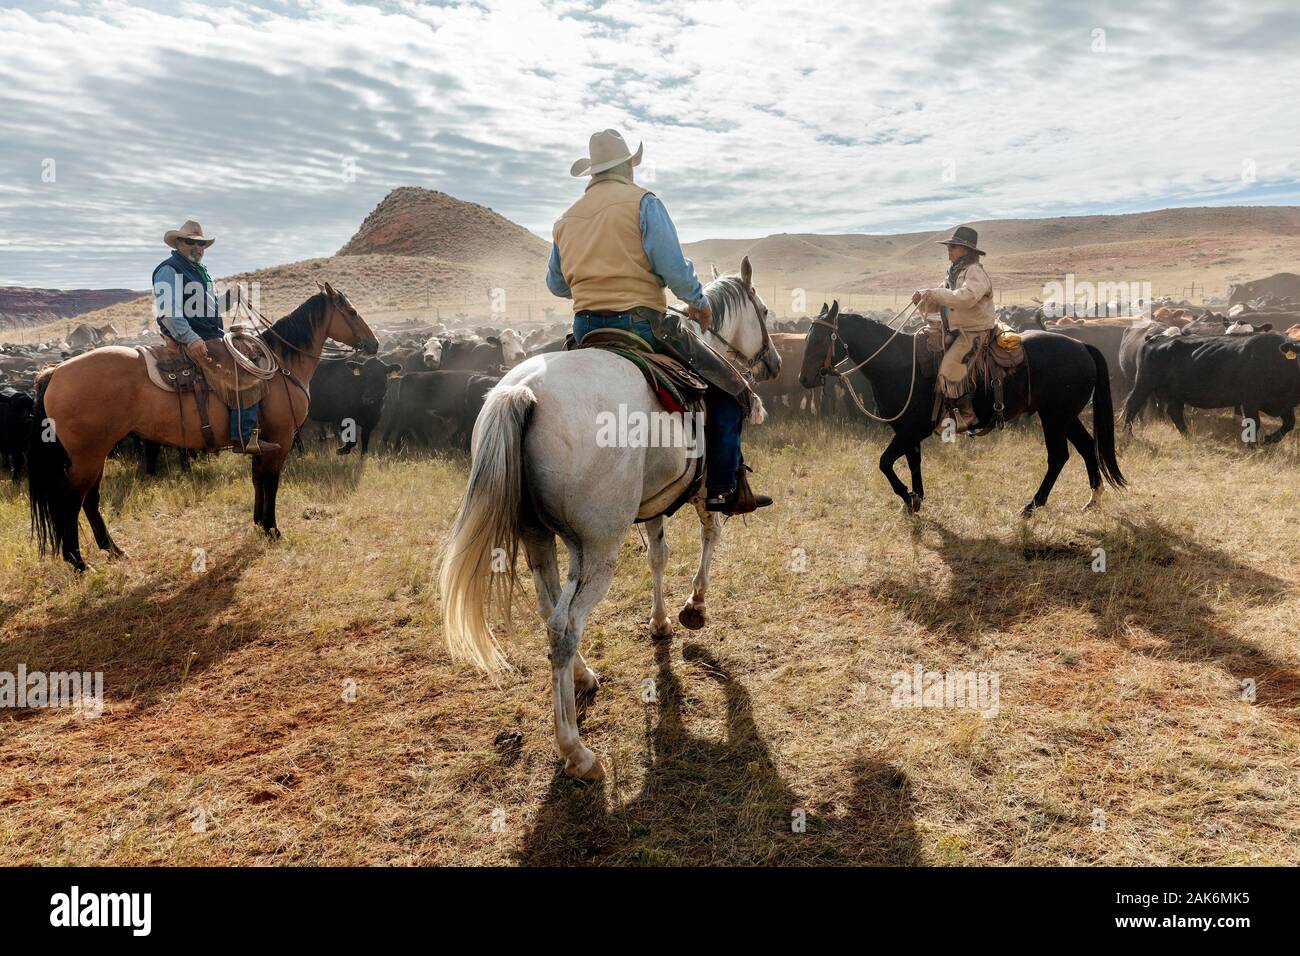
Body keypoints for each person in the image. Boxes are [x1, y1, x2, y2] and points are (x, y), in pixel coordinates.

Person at [546, 129, 770, 514]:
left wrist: (594, 283)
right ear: (624, 167)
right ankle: (722, 488)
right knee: (731, 387)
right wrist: (699, 302)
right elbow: (673, 269)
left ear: (594, 172)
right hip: (642, 326)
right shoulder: (643, 203)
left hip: (585, 330)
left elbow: (556, 283)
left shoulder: (566, 219)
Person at [151, 219, 278, 454]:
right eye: (191, 242)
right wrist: (190, 338)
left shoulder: (200, 272)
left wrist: (231, 296)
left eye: (202, 244)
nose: (198, 248)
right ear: (179, 242)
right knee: (245, 372)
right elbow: (168, 311)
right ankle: (244, 436)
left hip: (209, 336)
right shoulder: (169, 269)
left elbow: (212, 308)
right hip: (193, 339)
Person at [912, 226, 996, 432]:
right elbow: (941, 299)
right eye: (949, 246)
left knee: (949, 368)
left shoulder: (975, 272)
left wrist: (935, 293)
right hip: (954, 329)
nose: (949, 250)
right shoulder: (954, 272)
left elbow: (965, 298)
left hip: (974, 331)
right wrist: (922, 299)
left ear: (966, 250)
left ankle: (967, 414)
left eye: (953, 246)